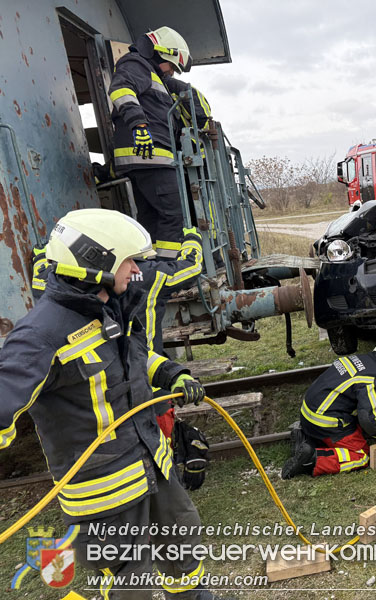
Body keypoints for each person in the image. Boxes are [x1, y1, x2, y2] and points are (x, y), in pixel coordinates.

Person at [0, 209, 227, 600]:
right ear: (96, 261)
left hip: (151, 461)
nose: (136, 268)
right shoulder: (40, 335)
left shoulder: (108, 304)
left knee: (181, 543)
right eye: (129, 259)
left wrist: (171, 372)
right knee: (129, 580)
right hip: (104, 492)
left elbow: (131, 358)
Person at [108, 26, 198, 259]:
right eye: (173, 66)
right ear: (162, 53)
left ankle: (146, 267)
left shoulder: (152, 74)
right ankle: (168, 271)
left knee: (150, 218)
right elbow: (120, 90)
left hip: (147, 157)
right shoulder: (137, 65)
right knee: (174, 214)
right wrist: (140, 126)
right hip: (149, 154)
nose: (172, 73)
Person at [281, 338, 376, 479]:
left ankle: (305, 439)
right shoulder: (374, 380)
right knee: (361, 455)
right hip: (325, 422)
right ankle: (312, 459)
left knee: (355, 426)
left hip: (307, 414)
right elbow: (370, 420)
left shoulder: (357, 359)